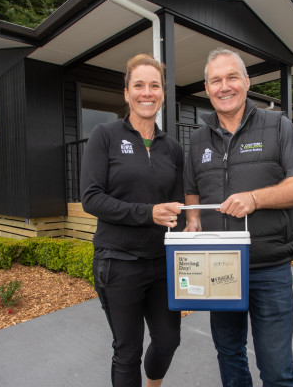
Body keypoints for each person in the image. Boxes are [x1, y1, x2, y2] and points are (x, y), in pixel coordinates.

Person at [184, 48, 293, 387]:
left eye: (232, 77)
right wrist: (193, 221)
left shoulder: (277, 127)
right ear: (206, 86)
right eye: (216, 80)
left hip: (269, 270)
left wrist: (255, 199)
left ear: (246, 81)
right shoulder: (198, 139)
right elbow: (192, 189)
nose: (224, 86)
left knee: (276, 369)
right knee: (229, 354)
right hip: (220, 267)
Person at [80, 53, 184, 387]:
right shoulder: (105, 135)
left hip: (162, 264)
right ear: (126, 92)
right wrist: (147, 213)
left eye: (154, 86)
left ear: (163, 94)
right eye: (138, 85)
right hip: (118, 261)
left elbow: (180, 206)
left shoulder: (173, 148)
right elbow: (91, 198)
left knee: (168, 340)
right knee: (127, 351)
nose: (147, 92)